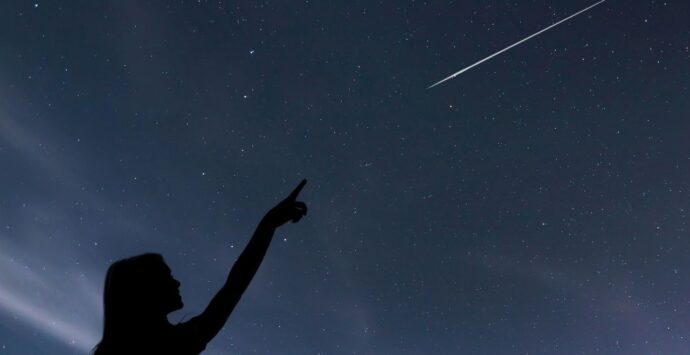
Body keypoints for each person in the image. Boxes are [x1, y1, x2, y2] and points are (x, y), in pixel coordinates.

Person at [93, 180, 308, 354]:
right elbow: (234, 287)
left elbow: (234, 286)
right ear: (144, 289)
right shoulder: (177, 345)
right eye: (165, 277)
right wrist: (268, 223)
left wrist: (269, 223)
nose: (176, 282)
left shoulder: (181, 341)